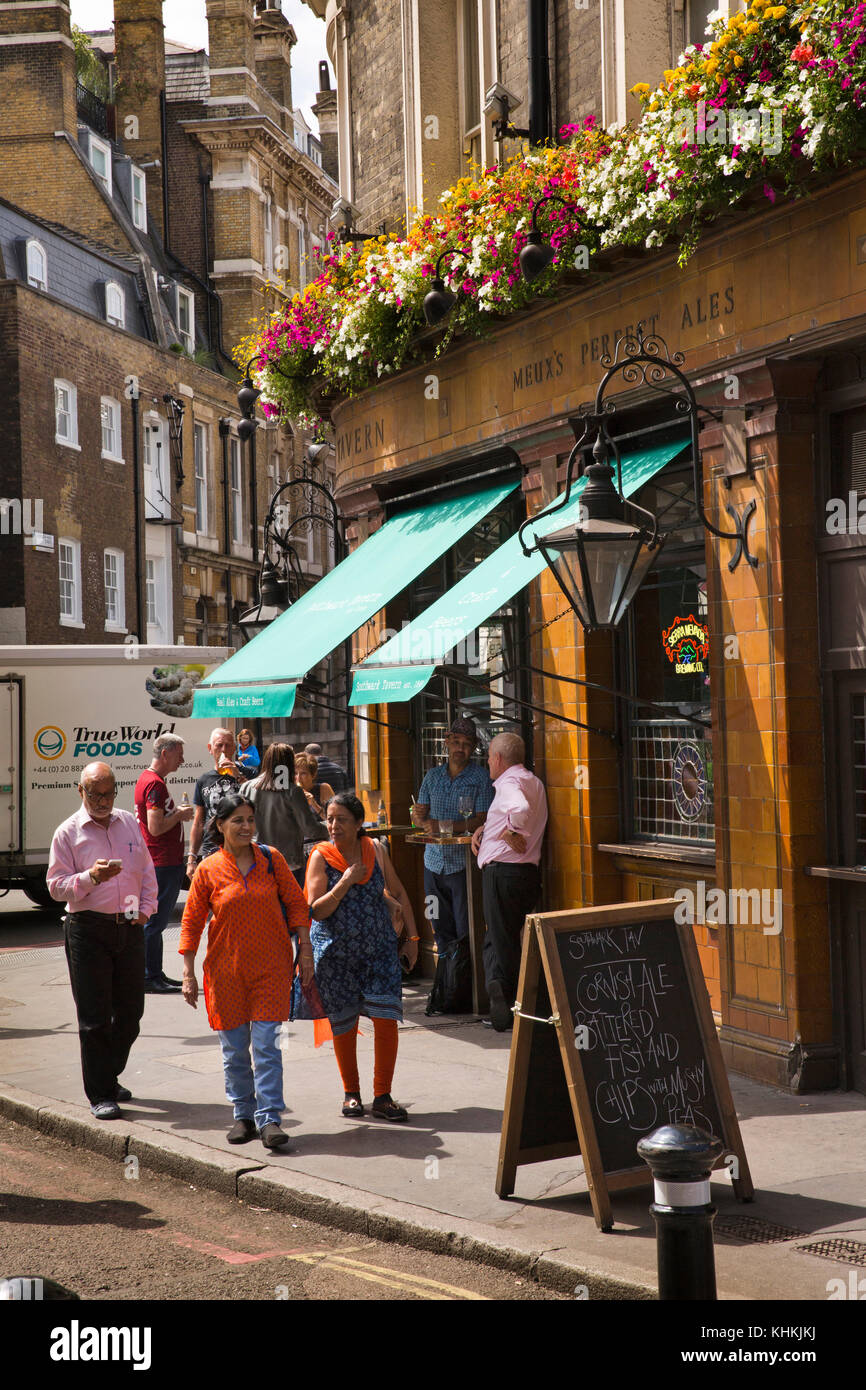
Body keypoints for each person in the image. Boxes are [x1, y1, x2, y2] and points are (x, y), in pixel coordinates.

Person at [179, 793, 311, 1151]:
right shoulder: (208, 870)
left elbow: (297, 904)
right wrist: (188, 972)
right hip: (226, 973)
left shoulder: (271, 859)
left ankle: (269, 1119)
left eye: (250, 820)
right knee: (235, 1051)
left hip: (272, 968)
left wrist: (306, 950)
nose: (246, 827)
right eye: (237, 820)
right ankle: (243, 1114)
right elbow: (191, 922)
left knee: (267, 1046)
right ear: (219, 826)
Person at [47, 762, 158, 1119]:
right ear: (81, 792)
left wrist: (146, 909)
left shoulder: (127, 822)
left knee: (131, 1013)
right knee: (94, 1018)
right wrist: (89, 877)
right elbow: (55, 887)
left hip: (128, 925)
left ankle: (107, 1075)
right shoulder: (67, 833)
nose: (102, 801)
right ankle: (100, 1093)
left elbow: (146, 869)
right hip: (88, 928)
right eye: (95, 794)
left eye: (108, 793)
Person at [305, 792, 418, 1121]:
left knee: (386, 1019)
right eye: (330, 818)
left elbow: (397, 892)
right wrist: (345, 881)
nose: (334, 825)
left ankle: (382, 1095)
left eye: (341, 819)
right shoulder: (320, 856)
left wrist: (412, 938)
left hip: (379, 951)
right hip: (337, 955)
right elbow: (316, 909)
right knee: (344, 1022)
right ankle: (351, 1093)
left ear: (358, 824)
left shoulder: (376, 850)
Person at [471, 733, 548, 1032]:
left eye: (490, 756)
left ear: (500, 759)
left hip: (503, 872)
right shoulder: (533, 781)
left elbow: (518, 810)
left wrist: (510, 831)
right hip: (525, 873)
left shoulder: (509, 783)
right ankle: (499, 998)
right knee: (499, 938)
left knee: (503, 943)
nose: (487, 761)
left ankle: (515, 1008)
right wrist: (488, 828)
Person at [414, 717, 494, 964]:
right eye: (456, 741)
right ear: (447, 742)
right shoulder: (432, 776)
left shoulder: (481, 777)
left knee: (466, 928)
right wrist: (417, 816)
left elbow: (483, 819)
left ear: (474, 748)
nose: (460, 748)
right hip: (432, 866)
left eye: (466, 744)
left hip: (463, 867)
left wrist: (445, 826)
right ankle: (445, 982)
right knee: (437, 924)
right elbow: (421, 818)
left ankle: (466, 988)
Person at [134, 733, 195, 995]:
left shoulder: (149, 780)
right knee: (155, 922)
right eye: (179, 754)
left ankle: (155, 973)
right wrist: (180, 815)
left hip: (160, 861)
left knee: (155, 921)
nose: (182, 759)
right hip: (162, 862)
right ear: (165, 754)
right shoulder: (155, 784)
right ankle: (149, 976)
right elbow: (155, 827)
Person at [240, 742, 327, 890]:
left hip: (254, 863)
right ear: (289, 765)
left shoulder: (246, 788)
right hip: (288, 865)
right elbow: (310, 829)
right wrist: (327, 827)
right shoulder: (292, 792)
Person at [187, 727, 248, 875]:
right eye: (219, 745)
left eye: (228, 745)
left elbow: (256, 805)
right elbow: (199, 821)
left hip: (241, 849)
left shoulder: (248, 773)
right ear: (210, 748)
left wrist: (238, 776)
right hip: (212, 850)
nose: (223, 750)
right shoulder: (204, 780)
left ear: (234, 748)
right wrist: (191, 858)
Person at [296, 752, 334, 819]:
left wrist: (314, 804)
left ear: (313, 775)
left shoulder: (323, 789)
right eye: (295, 773)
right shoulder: (289, 792)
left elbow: (333, 820)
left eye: (303, 773)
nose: (298, 778)